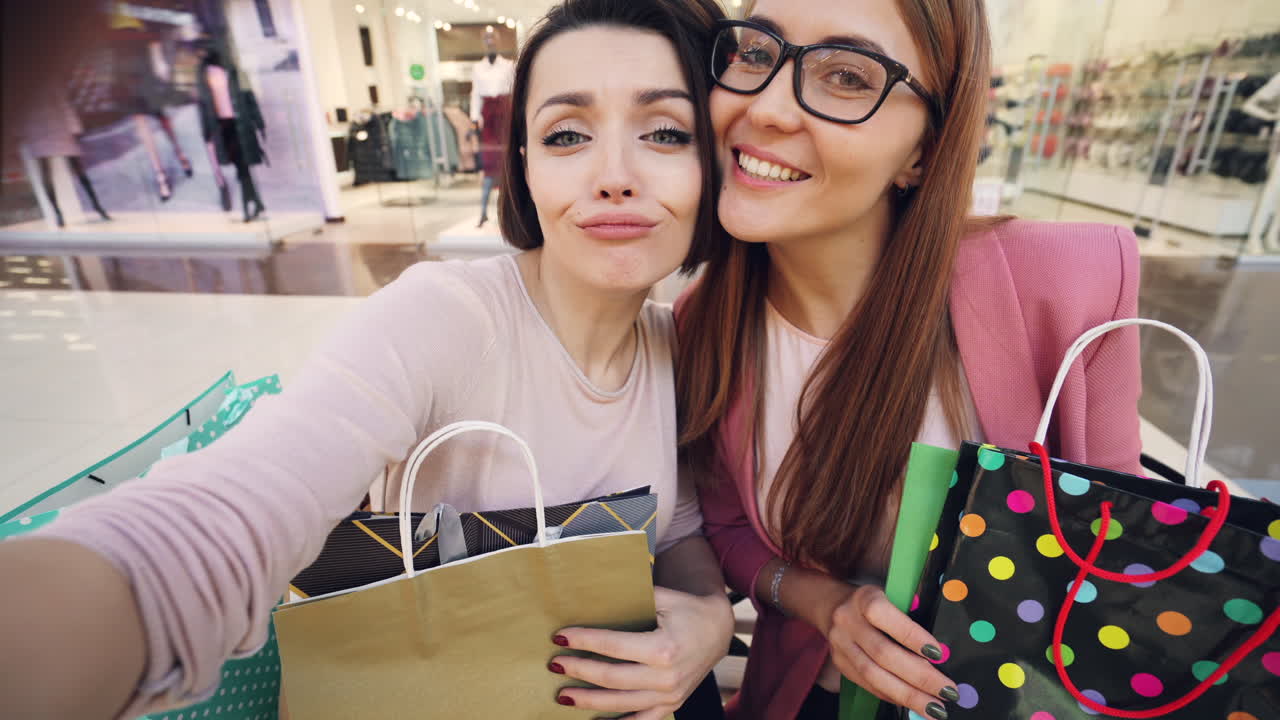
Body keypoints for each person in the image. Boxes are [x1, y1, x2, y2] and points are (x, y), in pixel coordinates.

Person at [0, 1, 734, 718]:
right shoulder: (449, 316)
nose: (613, 175)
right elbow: (237, 510)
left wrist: (708, 623)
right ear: (525, 167)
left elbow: (676, 531)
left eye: (666, 132)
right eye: (567, 135)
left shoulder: (675, 345)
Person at [674, 1, 1142, 719]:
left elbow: (1124, 539)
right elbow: (731, 529)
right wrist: (827, 605)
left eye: (847, 76)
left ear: (926, 148)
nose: (764, 109)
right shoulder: (701, 323)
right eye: (757, 53)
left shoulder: (1064, 283)